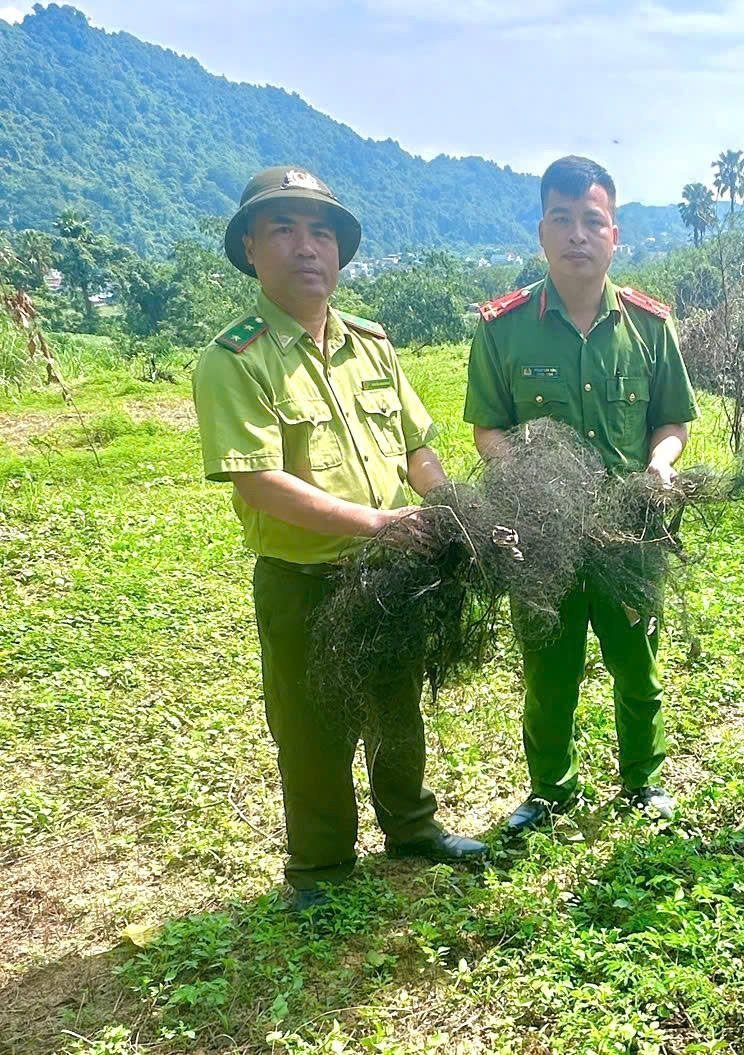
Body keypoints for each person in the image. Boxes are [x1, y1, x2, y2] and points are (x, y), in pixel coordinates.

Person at [192, 166, 486, 913]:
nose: (305, 246)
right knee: (312, 723)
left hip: (392, 569)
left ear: (340, 249)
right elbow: (257, 479)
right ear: (251, 249)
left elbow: (418, 445)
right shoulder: (234, 359)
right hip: (305, 578)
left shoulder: (372, 345)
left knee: (395, 704)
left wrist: (448, 501)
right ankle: (320, 868)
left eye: (320, 229)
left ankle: (412, 828)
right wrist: (377, 522)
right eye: (283, 229)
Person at [464, 155, 699, 832]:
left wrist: (661, 462)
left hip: (632, 534)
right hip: (544, 537)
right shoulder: (503, 329)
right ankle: (550, 792)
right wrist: (537, 486)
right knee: (548, 671)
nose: (577, 235)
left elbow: (673, 421)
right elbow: (488, 429)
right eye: (562, 220)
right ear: (542, 231)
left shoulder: (650, 327)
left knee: (638, 667)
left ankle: (644, 783)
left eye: (592, 220)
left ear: (614, 233)